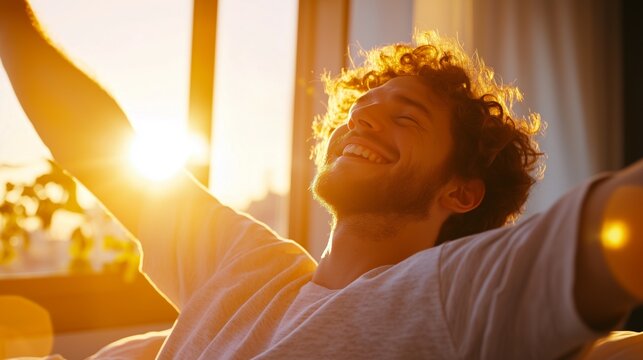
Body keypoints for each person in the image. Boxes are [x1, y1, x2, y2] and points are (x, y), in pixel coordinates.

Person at [1, 1, 642, 359]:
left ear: (461, 191)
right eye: (362, 106)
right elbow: (94, 143)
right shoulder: (242, 263)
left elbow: (618, 222)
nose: (363, 115)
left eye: (405, 116)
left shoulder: (449, 293)